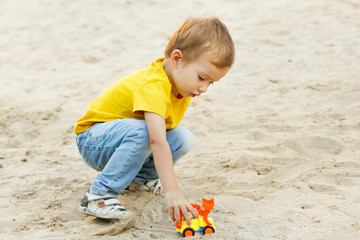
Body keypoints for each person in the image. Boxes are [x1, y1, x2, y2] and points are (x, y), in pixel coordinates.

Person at [74, 16, 235, 226]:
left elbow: (163, 139)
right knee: (147, 133)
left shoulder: (180, 85)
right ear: (177, 59)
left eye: (211, 83)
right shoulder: (155, 86)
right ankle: (98, 195)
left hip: (122, 140)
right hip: (93, 140)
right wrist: (172, 192)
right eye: (202, 78)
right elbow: (157, 141)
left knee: (182, 137)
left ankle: (140, 179)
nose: (204, 88)